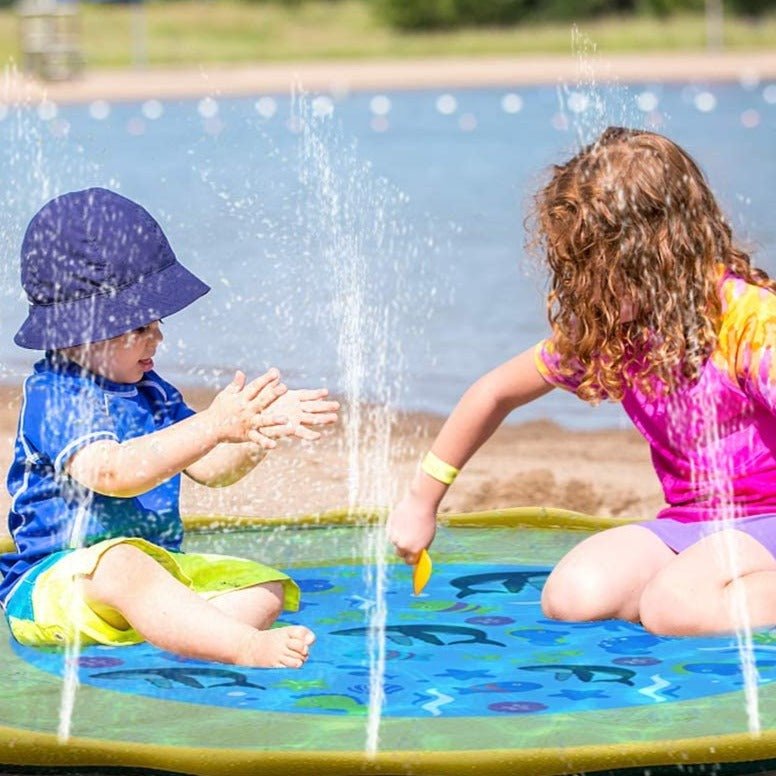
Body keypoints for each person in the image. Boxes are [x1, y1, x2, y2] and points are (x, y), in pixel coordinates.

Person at [389, 126, 776, 637]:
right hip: (692, 523)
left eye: (596, 270)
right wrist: (422, 502)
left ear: (660, 253)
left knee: (673, 607)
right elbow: (493, 393)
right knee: (573, 595)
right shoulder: (620, 329)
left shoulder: (750, 323)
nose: (582, 288)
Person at [1, 187, 339, 668]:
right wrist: (213, 423)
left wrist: (254, 433)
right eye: (139, 326)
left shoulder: (151, 390)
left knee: (265, 588)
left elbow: (214, 470)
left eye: (156, 321)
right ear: (81, 330)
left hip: (152, 576)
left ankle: (173, 629)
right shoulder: (57, 394)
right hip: (57, 586)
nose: (157, 335)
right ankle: (237, 645)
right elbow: (113, 474)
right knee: (121, 563)